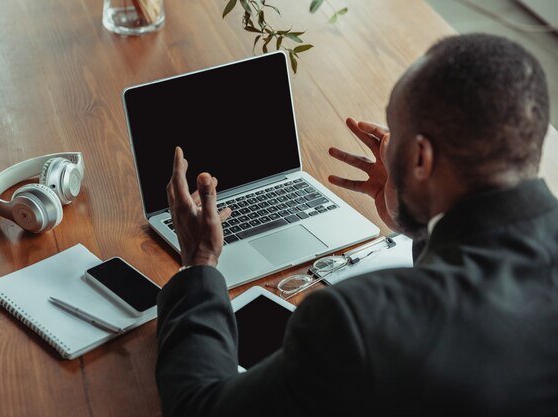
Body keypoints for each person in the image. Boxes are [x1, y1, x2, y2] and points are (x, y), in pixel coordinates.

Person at [155, 33, 558, 417]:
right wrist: (414, 221)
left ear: (421, 158)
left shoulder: (355, 322)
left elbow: (200, 406)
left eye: (393, 133)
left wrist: (200, 262)